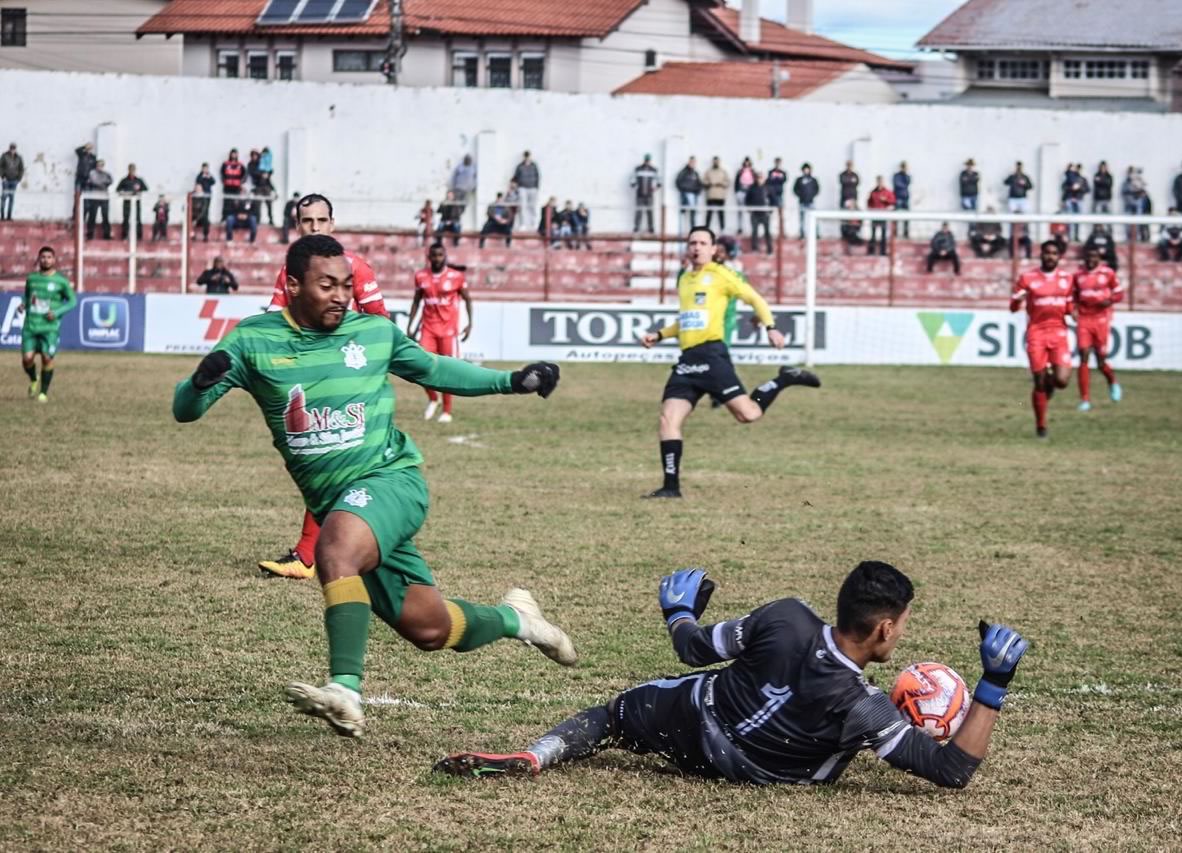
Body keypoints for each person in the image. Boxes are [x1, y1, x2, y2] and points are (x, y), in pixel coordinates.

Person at [172, 234, 576, 738]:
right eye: (327, 285)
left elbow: (434, 368)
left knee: (334, 551)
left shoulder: (374, 333)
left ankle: (344, 689)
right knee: (431, 629)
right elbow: (184, 411)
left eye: (347, 284)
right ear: (293, 285)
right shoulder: (252, 340)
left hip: (391, 481)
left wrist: (513, 381)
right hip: (341, 504)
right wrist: (199, 382)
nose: (342, 295)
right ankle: (520, 620)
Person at [435, 561, 1029, 790]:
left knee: (615, 714)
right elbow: (952, 770)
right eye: (899, 625)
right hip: (761, 773)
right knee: (830, 742)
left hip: (692, 726)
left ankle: (538, 756)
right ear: (882, 631)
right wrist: (992, 685)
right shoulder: (864, 704)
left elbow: (692, 650)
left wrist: (679, 609)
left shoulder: (786, 615)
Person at [259, 192, 392, 581]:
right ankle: (340, 551)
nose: (314, 228)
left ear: (332, 225)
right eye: (306, 222)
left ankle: (310, 555)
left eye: (321, 221)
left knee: (330, 461)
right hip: (309, 379)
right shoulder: (291, 272)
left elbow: (380, 323)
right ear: (297, 226)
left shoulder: (356, 268)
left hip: (348, 382)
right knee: (327, 464)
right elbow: (273, 320)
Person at [637, 226, 820, 498]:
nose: (696, 247)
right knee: (668, 419)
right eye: (692, 242)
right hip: (687, 360)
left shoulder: (722, 276)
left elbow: (755, 299)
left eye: (702, 243)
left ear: (713, 249)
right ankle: (671, 487)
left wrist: (770, 327)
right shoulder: (685, 279)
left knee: (748, 414)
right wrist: (661, 334)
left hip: (712, 356)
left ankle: (784, 378)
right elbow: (687, 319)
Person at [1011, 240, 1074, 439]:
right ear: (1041, 255)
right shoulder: (1027, 278)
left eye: (1054, 253)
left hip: (1059, 333)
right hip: (1036, 333)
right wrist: (1017, 300)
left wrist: (1077, 314)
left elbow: (1070, 307)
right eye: (1047, 253)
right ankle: (1041, 426)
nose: (1050, 256)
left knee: (1062, 381)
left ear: (1059, 256)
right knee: (1039, 382)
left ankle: (1049, 384)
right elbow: (1012, 308)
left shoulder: (1067, 279)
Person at [407, 242, 474, 424]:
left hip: (448, 331)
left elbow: (468, 300)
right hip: (427, 328)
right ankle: (433, 398)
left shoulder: (456, 276)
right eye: (434, 255)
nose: (437, 258)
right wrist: (410, 326)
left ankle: (446, 410)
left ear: (445, 256)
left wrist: (469, 324)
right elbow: (416, 301)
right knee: (420, 366)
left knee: (447, 370)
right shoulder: (421, 276)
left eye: (440, 255)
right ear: (429, 257)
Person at [18, 247, 77, 403]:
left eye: (49, 257)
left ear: (54, 259)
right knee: (27, 359)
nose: (46, 260)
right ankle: (33, 378)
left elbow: (72, 301)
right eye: (43, 257)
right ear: (39, 259)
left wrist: (57, 312)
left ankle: (43, 393)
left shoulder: (61, 281)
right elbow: (27, 296)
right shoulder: (32, 278)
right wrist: (23, 304)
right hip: (31, 326)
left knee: (46, 358)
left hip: (50, 328)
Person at [1073, 246, 1123, 412]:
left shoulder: (1108, 273)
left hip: (1101, 319)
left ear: (1099, 258)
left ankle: (1112, 382)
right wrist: (1073, 309)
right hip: (1084, 319)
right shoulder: (1078, 275)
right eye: (1088, 256)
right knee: (1084, 356)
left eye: (1094, 256)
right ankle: (1085, 400)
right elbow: (1073, 296)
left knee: (1101, 361)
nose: (1091, 260)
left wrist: (1109, 301)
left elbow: (1119, 293)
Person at [116, 164, 148, 241]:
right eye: (131, 169)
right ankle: (125, 235)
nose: (132, 171)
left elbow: (145, 189)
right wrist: (124, 193)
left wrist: (139, 192)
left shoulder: (139, 180)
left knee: (138, 219)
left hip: (136, 202)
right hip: (127, 202)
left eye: (133, 169)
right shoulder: (124, 180)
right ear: (128, 170)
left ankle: (139, 236)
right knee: (126, 219)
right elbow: (118, 190)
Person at [866, 176, 895, 256]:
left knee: (883, 234)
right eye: (878, 181)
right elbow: (869, 203)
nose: (880, 183)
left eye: (881, 181)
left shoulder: (887, 191)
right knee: (873, 234)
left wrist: (885, 200)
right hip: (875, 216)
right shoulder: (873, 192)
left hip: (883, 216)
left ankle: (883, 252)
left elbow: (892, 201)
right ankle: (871, 252)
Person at [84, 159, 113, 240]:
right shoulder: (92, 173)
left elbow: (110, 181)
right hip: (94, 196)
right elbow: (94, 181)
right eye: (99, 165)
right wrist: (103, 183)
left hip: (104, 197)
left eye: (102, 165)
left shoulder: (107, 173)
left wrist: (101, 183)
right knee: (92, 216)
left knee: (105, 216)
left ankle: (107, 234)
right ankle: (90, 234)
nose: (100, 167)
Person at [632, 154, 661, 234]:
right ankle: (637, 227)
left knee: (650, 212)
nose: (647, 162)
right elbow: (632, 181)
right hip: (640, 195)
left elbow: (659, 182)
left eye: (648, 160)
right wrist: (636, 187)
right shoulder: (638, 169)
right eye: (646, 160)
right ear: (644, 160)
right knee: (639, 211)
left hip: (649, 195)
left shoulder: (654, 170)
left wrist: (655, 188)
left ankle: (651, 227)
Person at [512, 151, 539, 233]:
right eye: (526, 156)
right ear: (524, 157)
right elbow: (515, 177)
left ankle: (534, 224)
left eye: (528, 156)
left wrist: (536, 187)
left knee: (532, 206)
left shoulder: (534, 166)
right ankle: (522, 224)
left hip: (532, 188)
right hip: (522, 188)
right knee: (522, 206)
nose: (527, 158)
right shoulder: (520, 166)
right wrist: (515, 185)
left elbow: (538, 176)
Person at [745, 173, 772, 255]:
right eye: (758, 178)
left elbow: (773, 200)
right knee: (754, 232)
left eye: (761, 178)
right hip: (755, 214)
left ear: (764, 179)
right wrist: (749, 209)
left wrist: (770, 211)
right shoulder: (751, 188)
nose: (760, 180)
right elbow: (747, 200)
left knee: (767, 232)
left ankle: (770, 250)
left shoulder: (768, 188)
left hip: (765, 214)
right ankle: (754, 249)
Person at [675, 156, 703, 230]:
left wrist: (697, 191)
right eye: (691, 162)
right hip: (685, 195)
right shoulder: (683, 172)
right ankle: (681, 230)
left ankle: (693, 229)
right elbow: (678, 182)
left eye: (694, 162)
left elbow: (700, 184)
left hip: (694, 195)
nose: (692, 164)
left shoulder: (695, 173)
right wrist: (684, 190)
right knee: (683, 212)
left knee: (693, 213)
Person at [792, 163, 819, 238]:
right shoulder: (799, 180)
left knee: (815, 219)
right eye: (805, 169)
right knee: (801, 219)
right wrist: (800, 195)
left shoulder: (813, 180)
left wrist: (811, 195)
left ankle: (816, 234)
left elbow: (817, 189)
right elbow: (795, 189)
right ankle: (802, 234)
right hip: (802, 202)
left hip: (811, 202)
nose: (806, 171)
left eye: (807, 169)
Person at [192, 163, 217, 242]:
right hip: (197, 204)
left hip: (207, 195)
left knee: (206, 210)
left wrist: (209, 177)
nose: (205, 170)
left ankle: (205, 235)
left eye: (207, 168)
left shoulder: (209, 175)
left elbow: (213, 182)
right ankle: (192, 234)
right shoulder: (200, 176)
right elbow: (198, 181)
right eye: (204, 168)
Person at [0, 142, 25, 220]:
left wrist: (18, 179)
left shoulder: (19, 157)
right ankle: (2, 216)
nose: (12, 150)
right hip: (6, 181)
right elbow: (0, 166)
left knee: (12, 198)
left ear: (15, 149)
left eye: (14, 148)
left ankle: (9, 217)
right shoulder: (4, 156)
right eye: (11, 148)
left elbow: (21, 168)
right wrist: (2, 176)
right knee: (4, 198)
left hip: (14, 181)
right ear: (9, 148)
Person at [220, 148, 245, 221]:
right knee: (226, 202)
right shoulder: (225, 164)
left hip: (236, 186)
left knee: (236, 202)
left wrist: (241, 182)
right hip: (227, 186)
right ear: (230, 154)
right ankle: (224, 218)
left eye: (235, 153)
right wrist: (224, 181)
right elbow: (222, 173)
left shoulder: (240, 164)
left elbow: (244, 174)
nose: (234, 155)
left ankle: (235, 218)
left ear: (237, 155)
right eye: (232, 153)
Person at [733, 156, 756, 234]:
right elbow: (736, 182)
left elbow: (755, 182)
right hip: (741, 192)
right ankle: (740, 227)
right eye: (746, 161)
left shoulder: (753, 171)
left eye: (748, 161)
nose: (747, 163)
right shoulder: (740, 171)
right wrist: (737, 192)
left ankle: (751, 228)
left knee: (750, 211)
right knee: (740, 211)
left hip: (750, 192)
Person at [892, 162, 911, 237]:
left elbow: (908, 183)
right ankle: (895, 232)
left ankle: (906, 233)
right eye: (903, 167)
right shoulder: (896, 176)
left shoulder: (907, 176)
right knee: (895, 216)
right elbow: (898, 184)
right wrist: (904, 185)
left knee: (907, 217)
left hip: (905, 198)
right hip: (898, 197)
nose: (904, 168)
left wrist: (905, 175)